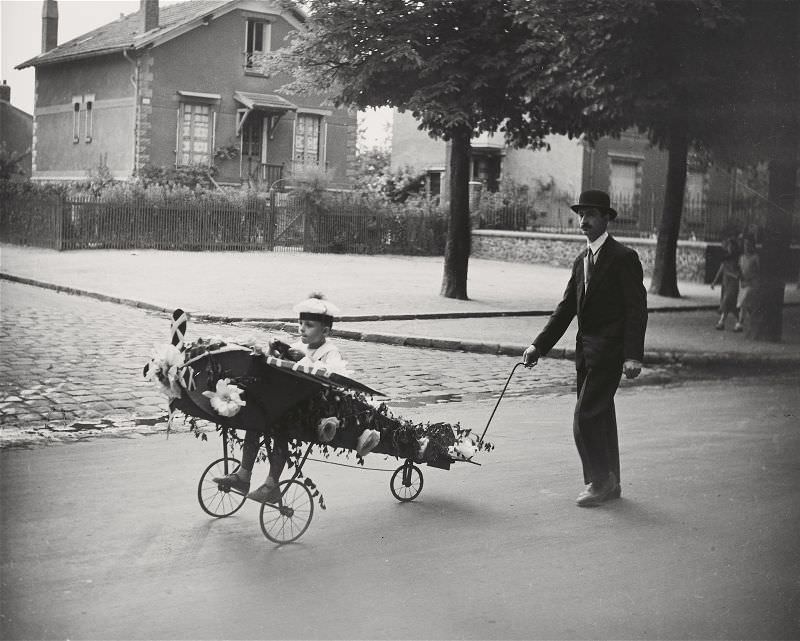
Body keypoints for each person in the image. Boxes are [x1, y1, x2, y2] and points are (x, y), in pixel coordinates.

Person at [522, 190, 648, 507]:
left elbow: (636, 309)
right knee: (600, 415)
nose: (584, 221)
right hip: (586, 353)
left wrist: (633, 355)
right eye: (581, 214)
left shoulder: (623, 258)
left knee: (585, 417)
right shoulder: (581, 261)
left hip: (610, 353)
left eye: (591, 214)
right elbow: (566, 309)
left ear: (606, 218)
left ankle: (599, 481)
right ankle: (612, 481)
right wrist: (539, 346)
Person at [213, 294, 348, 503]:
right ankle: (243, 475)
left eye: (309, 325)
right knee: (254, 423)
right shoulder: (298, 345)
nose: (302, 328)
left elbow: (333, 375)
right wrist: (271, 353)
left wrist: (303, 359)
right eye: (300, 323)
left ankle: (271, 485)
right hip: (283, 401)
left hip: (307, 407)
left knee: (281, 430)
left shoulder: (330, 352)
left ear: (325, 331)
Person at [710, 237, 741, 330]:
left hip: (734, 282)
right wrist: (714, 282)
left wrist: (735, 275)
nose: (730, 248)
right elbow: (721, 269)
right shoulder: (726, 257)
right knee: (731, 303)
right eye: (729, 246)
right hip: (726, 282)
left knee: (727, 300)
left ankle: (722, 321)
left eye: (732, 246)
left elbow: (739, 271)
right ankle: (738, 321)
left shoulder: (737, 258)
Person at [735, 235, 760, 332]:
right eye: (745, 244)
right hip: (743, 283)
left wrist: (752, 279)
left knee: (744, 302)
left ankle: (740, 323)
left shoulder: (755, 257)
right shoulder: (741, 257)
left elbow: (759, 271)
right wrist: (740, 277)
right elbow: (740, 269)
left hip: (752, 284)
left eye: (749, 244)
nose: (746, 246)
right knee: (745, 305)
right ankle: (752, 322)